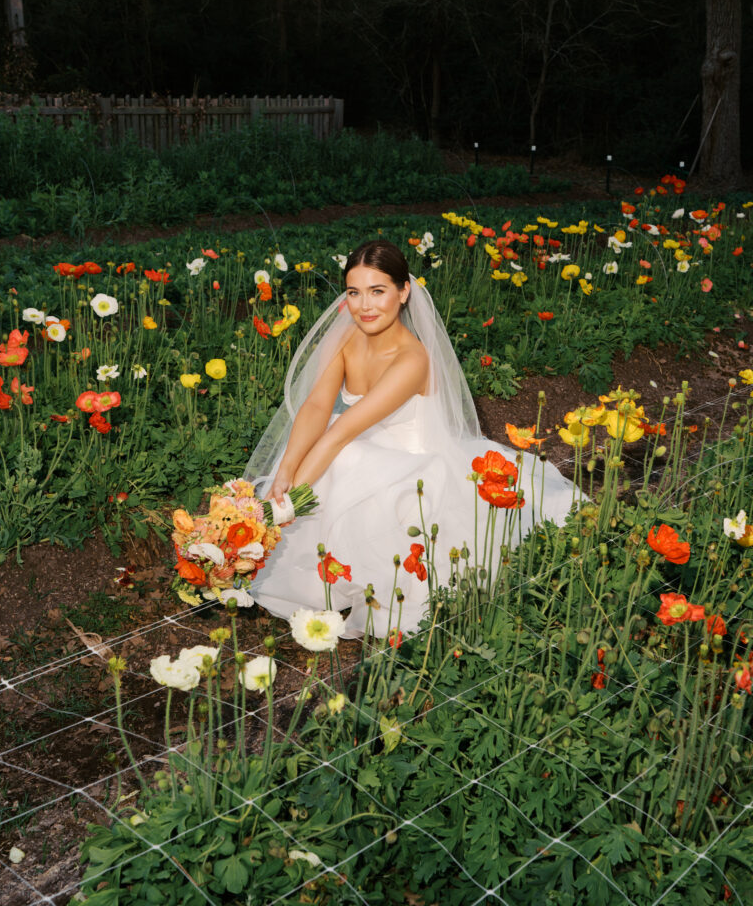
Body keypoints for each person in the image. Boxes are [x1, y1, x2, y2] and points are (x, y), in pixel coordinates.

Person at [244, 240, 576, 639]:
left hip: (413, 469)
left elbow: (340, 433)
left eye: (377, 291)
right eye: (354, 293)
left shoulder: (412, 358)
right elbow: (316, 406)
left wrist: (287, 503)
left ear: (403, 292)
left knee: (345, 456)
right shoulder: (345, 339)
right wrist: (283, 474)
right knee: (318, 451)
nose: (365, 306)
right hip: (356, 453)